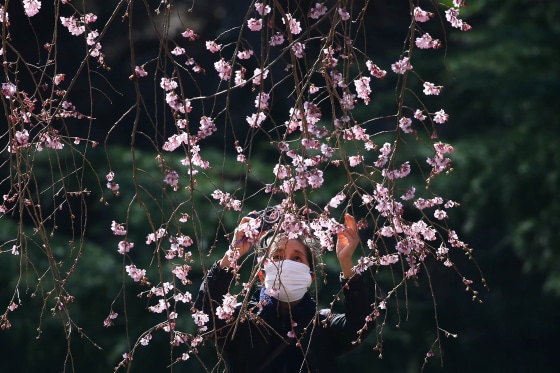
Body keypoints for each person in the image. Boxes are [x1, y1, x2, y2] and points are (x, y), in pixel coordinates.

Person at [193, 212, 373, 373]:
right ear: (262, 276)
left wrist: (346, 262)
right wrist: (231, 255)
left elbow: (361, 323)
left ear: (310, 277)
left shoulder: (322, 327)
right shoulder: (242, 322)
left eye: (297, 258)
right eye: (277, 257)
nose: (286, 265)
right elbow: (205, 313)